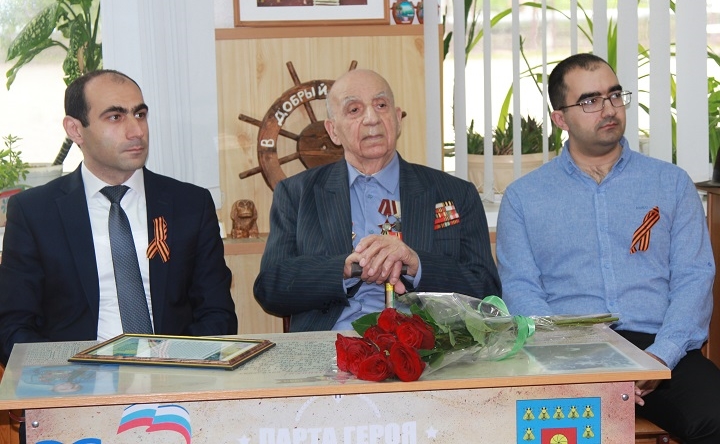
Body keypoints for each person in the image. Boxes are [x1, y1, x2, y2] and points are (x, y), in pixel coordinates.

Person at [496, 53, 720, 442]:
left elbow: (694, 279)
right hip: (566, 351)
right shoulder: (523, 198)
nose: (609, 108)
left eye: (614, 95)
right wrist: (573, 361)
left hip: (658, 346)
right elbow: (521, 291)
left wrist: (659, 358)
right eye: (590, 100)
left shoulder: (670, 183)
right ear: (560, 118)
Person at [0, 69, 238, 366]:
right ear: (75, 130)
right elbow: (13, 326)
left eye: (140, 114)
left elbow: (217, 314)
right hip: (74, 378)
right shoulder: (34, 212)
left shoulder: (190, 204)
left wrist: (173, 369)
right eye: (115, 117)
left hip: (175, 372)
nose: (136, 131)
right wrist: (70, 376)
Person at [254, 69, 500, 332]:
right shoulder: (297, 194)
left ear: (397, 118)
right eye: (354, 110)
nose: (371, 118)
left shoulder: (455, 193)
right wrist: (343, 270)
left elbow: (486, 290)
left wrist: (416, 264)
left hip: (426, 344)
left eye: (381, 105)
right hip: (331, 342)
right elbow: (270, 287)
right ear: (333, 131)